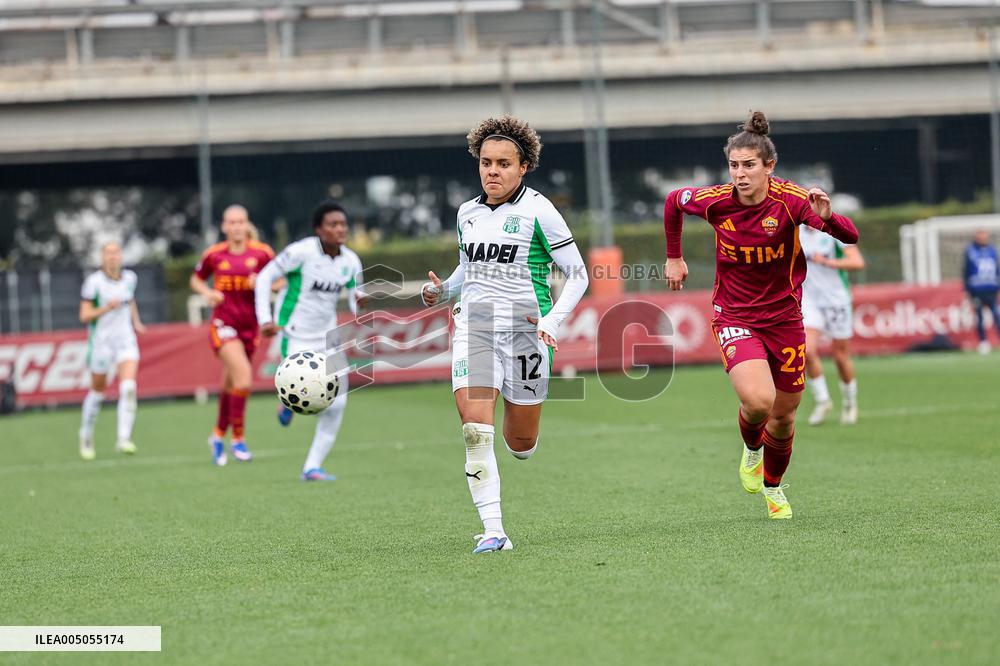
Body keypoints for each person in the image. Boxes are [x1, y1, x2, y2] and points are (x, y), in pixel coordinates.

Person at [663, 111, 858, 520]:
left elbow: (850, 236)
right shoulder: (716, 201)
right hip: (734, 315)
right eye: (734, 165)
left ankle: (773, 487)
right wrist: (674, 257)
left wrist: (828, 218)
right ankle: (752, 448)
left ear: (770, 166)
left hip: (785, 319)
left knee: (783, 417)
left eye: (749, 165)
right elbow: (673, 201)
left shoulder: (791, 200)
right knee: (758, 402)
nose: (739, 174)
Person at [421, 115, 589, 553]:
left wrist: (552, 321)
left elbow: (579, 275)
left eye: (503, 164)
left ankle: (522, 440)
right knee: (475, 430)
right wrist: (441, 291)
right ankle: (494, 530)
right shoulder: (467, 213)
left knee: (521, 443)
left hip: (526, 334)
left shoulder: (540, 211)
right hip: (475, 328)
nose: (492, 171)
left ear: (523, 167)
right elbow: (468, 270)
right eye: (486, 162)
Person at [254, 200, 366, 482]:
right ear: (319, 229)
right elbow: (264, 277)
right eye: (333, 224)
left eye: (343, 224)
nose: (340, 229)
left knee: (338, 403)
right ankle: (288, 402)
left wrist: (360, 305)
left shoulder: (351, 261)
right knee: (303, 392)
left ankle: (312, 467)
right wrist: (264, 319)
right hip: (295, 336)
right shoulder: (300, 252)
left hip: (328, 337)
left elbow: (356, 296)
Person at [190, 205, 275, 466]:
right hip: (223, 325)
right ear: (224, 226)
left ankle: (217, 436)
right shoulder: (214, 254)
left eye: (241, 222)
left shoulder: (262, 253)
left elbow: (283, 280)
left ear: (247, 225)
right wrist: (208, 293)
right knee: (244, 379)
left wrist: (264, 283)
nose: (237, 226)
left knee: (231, 385)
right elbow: (196, 279)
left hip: (251, 328)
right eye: (232, 222)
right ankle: (238, 439)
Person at [78, 241, 146, 460]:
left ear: (121, 256)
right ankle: (86, 435)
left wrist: (136, 322)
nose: (112, 257)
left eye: (116, 252)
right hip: (101, 343)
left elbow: (130, 301)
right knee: (98, 392)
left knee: (128, 387)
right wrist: (107, 307)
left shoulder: (130, 278)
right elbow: (84, 315)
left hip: (125, 340)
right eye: (108, 253)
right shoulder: (93, 283)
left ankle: (123, 438)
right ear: (102, 257)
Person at [800, 225, 865, 426]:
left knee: (840, 356)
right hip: (809, 300)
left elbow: (857, 262)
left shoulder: (833, 230)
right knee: (806, 350)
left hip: (836, 300)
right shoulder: (796, 231)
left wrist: (827, 262)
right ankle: (823, 401)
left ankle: (850, 402)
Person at [963, 229, 1000, 354]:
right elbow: (966, 271)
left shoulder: (992, 250)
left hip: (991, 289)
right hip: (977, 290)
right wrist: (967, 290)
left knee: (996, 315)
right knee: (979, 317)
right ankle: (983, 341)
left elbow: (997, 269)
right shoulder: (970, 250)